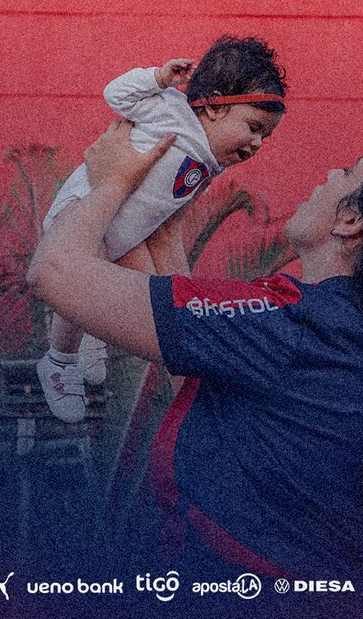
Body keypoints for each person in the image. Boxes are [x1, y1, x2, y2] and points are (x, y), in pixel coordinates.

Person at [27, 122, 363, 581]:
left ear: (351, 219)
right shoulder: (360, 335)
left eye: (347, 171)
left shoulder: (292, 324)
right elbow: (222, 389)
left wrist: (109, 183)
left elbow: (55, 271)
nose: (327, 176)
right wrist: (162, 231)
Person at [36, 36, 287, 421]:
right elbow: (116, 95)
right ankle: (60, 361)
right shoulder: (172, 112)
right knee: (84, 277)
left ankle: (94, 336)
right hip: (85, 213)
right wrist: (157, 78)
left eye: (264, 137)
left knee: (155, 306)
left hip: (128, 233)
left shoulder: (210, 159)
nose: (257, 144)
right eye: (253, 127)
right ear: (216, 107)